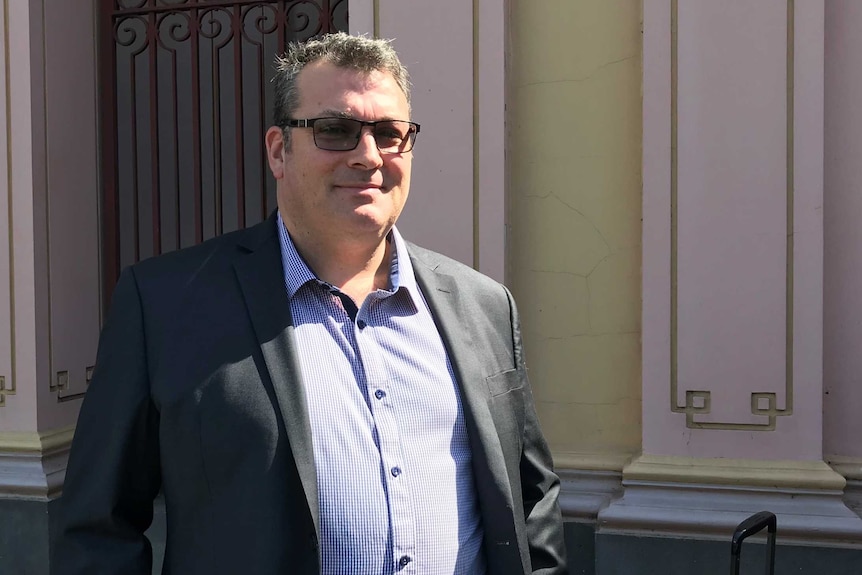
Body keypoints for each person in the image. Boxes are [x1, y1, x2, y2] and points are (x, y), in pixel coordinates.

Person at [52, 32, 566, 575]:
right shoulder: (165, 304)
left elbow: (531, 501)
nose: (369, 156)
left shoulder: (484, 306)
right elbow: (98, 529)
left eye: (390, 134)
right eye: (337, 131)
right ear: (279, 149)